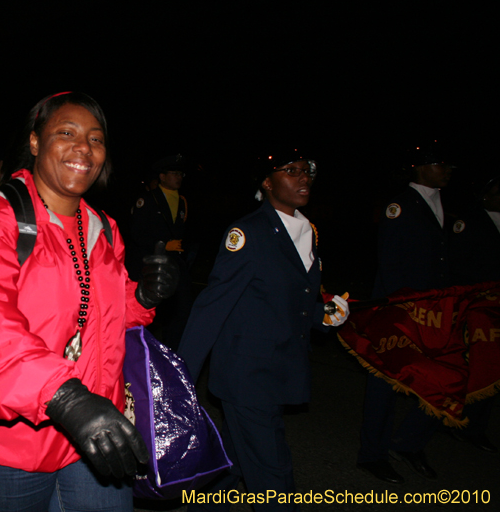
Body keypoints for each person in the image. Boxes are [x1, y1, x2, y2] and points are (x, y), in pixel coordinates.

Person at [0, 92, 179, 511]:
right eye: (66, 133)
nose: (84, 148)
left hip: (93, 434)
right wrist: (66, 399)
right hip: (6, 443)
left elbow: (101, 316)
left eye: (96, 139)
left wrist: (142, 296)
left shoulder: (103, 228)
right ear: (34, 141)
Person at [178, 149, 349, 512]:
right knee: (273, 474)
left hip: (281, 367)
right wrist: (179, 377)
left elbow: (289, 296)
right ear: (268, 183)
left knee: (232, 462)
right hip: (248, 374)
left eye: (306, 170)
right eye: (291, 170)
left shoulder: (306, 230)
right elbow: (212, 307)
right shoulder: (249, 232)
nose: (303, 177)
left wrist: (322, 315)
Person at [357, 143, 455, 484]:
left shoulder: (444, 204)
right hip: (400, 310)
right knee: (384, 383)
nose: (447, 170)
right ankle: (373, 454)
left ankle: (408, 444)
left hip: (433, 309)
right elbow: (391, 263)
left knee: (438, 378)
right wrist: (404, 309)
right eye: (440, 164)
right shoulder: (400, 206)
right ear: (421, 167)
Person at [448, 173, 500, 454]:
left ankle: (477, 427)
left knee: (493, 368)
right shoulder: (470, 222)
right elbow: (457, 265)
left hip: (495, 309)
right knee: (472, 365)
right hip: (477, 305)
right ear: (485, 196)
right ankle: (457, 420)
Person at [129, 154, 194, 349]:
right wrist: (164, 245)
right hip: (151, 265)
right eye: (174, 173)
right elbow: (136, 234)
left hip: (175, 264)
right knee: (149, 312)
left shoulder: (182, 201)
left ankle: (171, 349)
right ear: (162, 177)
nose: (178, 177)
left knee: (182, 309)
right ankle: (141, 350)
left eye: (180, 174)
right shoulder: (148, 199)